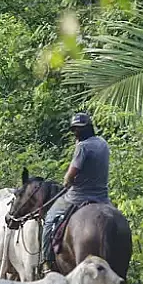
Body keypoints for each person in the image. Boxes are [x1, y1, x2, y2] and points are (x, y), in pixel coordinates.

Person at [42, 111, 110, 272]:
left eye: (77, 130)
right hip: (102, 198)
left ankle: (47, 262)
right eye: (74, 130)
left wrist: (66, 181)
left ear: (83, 130)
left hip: (78, 196)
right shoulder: (102, 142)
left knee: (49, 220)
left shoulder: (82, 147)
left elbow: (70, 175)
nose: (75, 133)